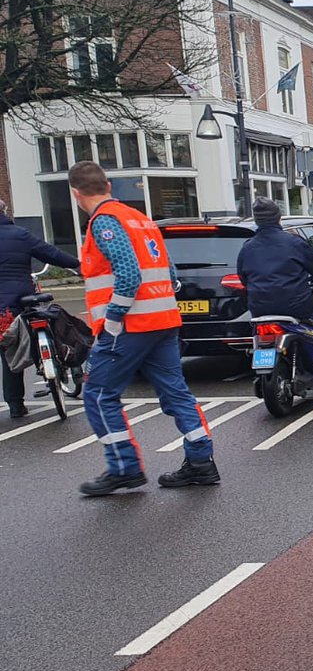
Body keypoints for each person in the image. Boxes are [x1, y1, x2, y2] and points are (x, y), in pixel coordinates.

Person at [69, 160, 219, 495]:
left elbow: (129, 273)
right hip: (163, 322)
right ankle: (200, 462)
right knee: (176, 393)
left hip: (129, 326)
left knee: (98, 394)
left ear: (77, 194)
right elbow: (169, 272)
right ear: (108, 187)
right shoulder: (140, 219)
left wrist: (113, 318)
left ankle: (124, 468)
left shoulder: (104, 222)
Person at [236, 197, 313, 364]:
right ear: (278, 218)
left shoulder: (247, 247)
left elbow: (243, 278)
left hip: (259, 308)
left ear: (257, 220)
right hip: (296, 305)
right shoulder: (294, 242)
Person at [0, 197, 81, 418]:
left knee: (6, 351)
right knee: (19, 342)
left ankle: (16, 404)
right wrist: (76, 265)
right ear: (5, 212)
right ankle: (45, 366)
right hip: (19, 302)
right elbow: (51, 254)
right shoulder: (20, 234)